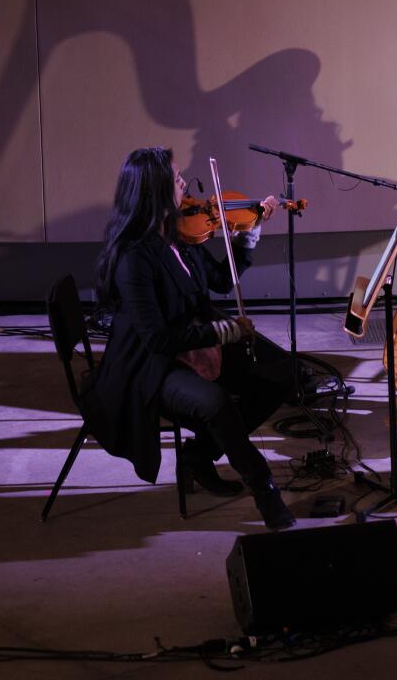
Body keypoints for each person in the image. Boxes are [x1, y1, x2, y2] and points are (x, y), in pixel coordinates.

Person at [80, 147, 295, 528]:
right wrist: (223, 331)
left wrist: (249, 236)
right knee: (216, 404)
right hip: (150, 366)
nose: (184, 185)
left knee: (281, 374)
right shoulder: (135, 258)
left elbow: (220, 281)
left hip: (193, 343)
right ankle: (265, 490)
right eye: (177, 180)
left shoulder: (178, 235)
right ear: (155, 191)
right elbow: (159, 341)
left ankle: (197, 455)